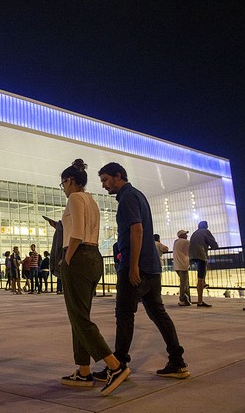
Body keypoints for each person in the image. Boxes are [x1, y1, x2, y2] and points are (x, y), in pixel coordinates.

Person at [98, 161, 189, 381]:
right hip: (152, 267)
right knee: (158, 313)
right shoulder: (138, 195)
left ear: (118, 176)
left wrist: (133, 265)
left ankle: (118, 364)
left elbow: (137, 230)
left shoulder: (128, 197)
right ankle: (177, 361)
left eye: (105, 180)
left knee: (125, 314)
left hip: (136, 266)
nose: (103, 185)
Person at [59, 159, 130, 396]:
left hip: (78, 258)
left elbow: (76, 232)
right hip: (93, 257)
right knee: (80, 317)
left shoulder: (74, 198)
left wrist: (66, 259)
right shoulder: (91, 200)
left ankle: (114, 366)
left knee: (79, 318)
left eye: (63, 184)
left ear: (70, 181)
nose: (64, 188)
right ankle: (83, 370)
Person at [188, 220, 218, 307]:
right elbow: (214, 244)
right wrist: (214, 246)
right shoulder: (206, 232)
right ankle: (200, 301)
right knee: (200, 278)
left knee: (201, 275)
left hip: (192, 256)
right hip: (200, 255)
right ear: (206, 226)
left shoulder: (195, 233)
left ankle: (204, 282)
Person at [173, 230, 191, 306]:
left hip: (177, 266)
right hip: (183, 266)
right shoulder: (185, 242)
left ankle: (186, 299)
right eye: (185, 234)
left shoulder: (176, 242)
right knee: (183, 284)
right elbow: (192, 248)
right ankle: (182, 299)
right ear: (181, 235)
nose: (186, 236)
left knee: (184, 283)